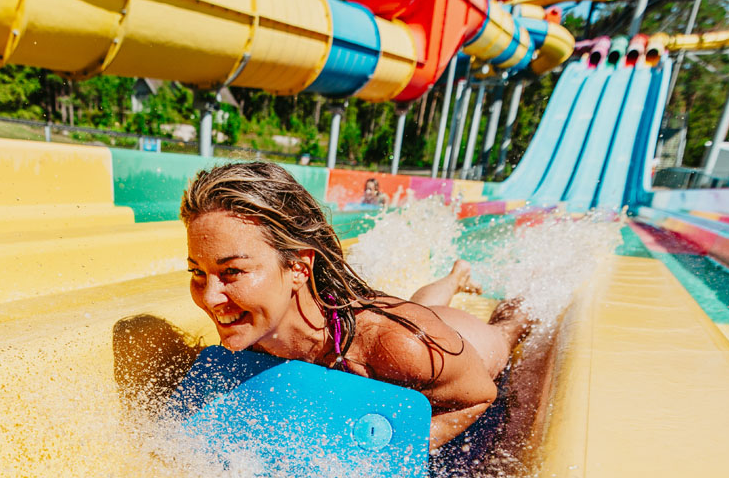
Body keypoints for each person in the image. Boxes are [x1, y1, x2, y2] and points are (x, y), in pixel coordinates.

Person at [181, 162, 531, 450]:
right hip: (407, 324)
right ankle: (456, 276)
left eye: (232, 272)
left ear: (299, 268)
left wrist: (397, 454)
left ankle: (511, 299)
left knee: (505, 329)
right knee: (420, 306)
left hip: (465, 346)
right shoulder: (255, 329)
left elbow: (481, 395)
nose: (210, 297)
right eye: (197, 272)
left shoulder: (400, 345)